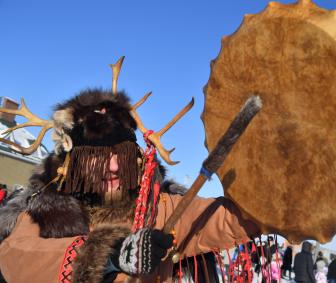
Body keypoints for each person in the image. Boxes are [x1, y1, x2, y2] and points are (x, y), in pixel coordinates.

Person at [0, 86, 260, 282]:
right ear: (74, 162)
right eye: (96, 156)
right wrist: (108, 255)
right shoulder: (44, 208)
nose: (112, 166)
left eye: (120, 155)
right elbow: (16, 256)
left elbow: (229, 219)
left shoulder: (160, 206)